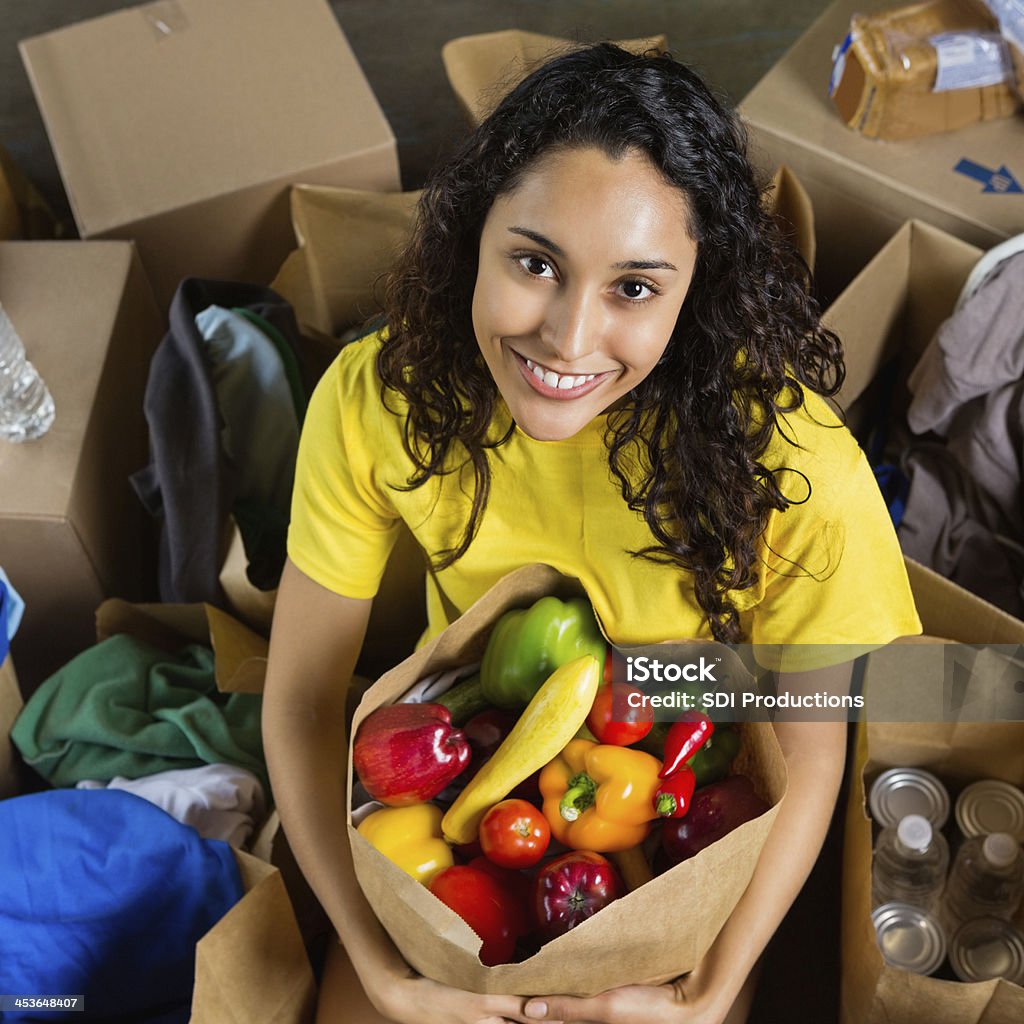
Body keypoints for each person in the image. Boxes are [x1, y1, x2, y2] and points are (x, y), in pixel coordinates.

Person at [262, 43, 921, 1024]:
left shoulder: (793, 469)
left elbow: (811, 750)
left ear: (698, 287)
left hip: (678, 832)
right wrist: (380, 965)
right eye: (535, 263)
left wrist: (708, 991)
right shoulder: (376, 399)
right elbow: (307, 699)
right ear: (470, 236)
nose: (567, 340)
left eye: (634, 288)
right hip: (462, 775)